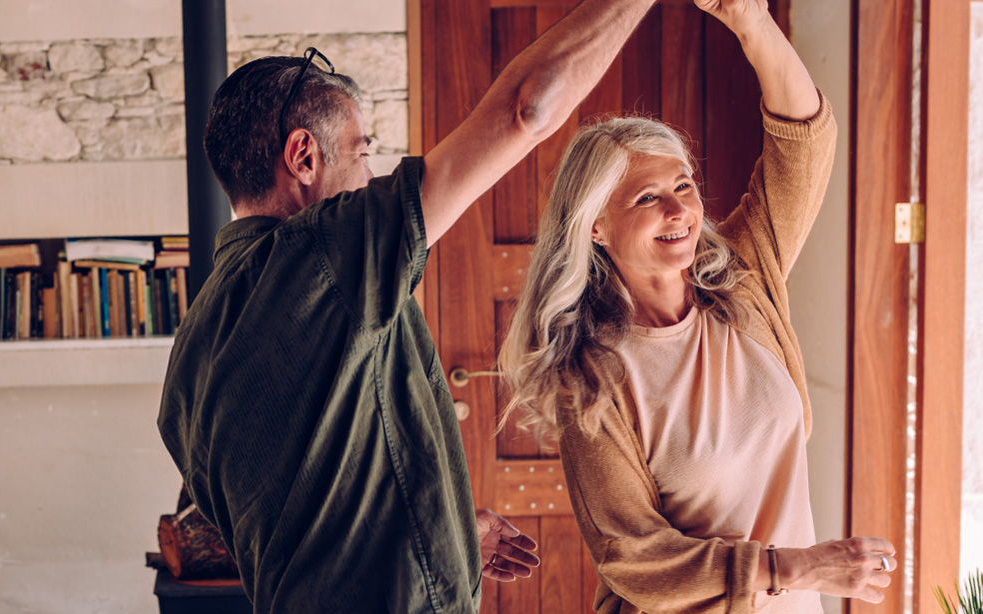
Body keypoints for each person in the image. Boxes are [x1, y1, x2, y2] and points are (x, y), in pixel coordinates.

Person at [156, 0, 670, 609]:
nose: (372, 175)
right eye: (362, 153)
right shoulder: (324, 251)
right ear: (303, 157)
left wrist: (438, 531)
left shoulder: (191, 357)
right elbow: (526, 109)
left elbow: (304, 508)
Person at [495, 0, 896, 612]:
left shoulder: (742, 276)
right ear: (596, 226)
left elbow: (806, 145)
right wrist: (797, 566)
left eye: (683, 185)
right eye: (647, 198)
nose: (680, 211)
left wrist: (750, 22)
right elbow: (635, 558)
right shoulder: (594, 376)